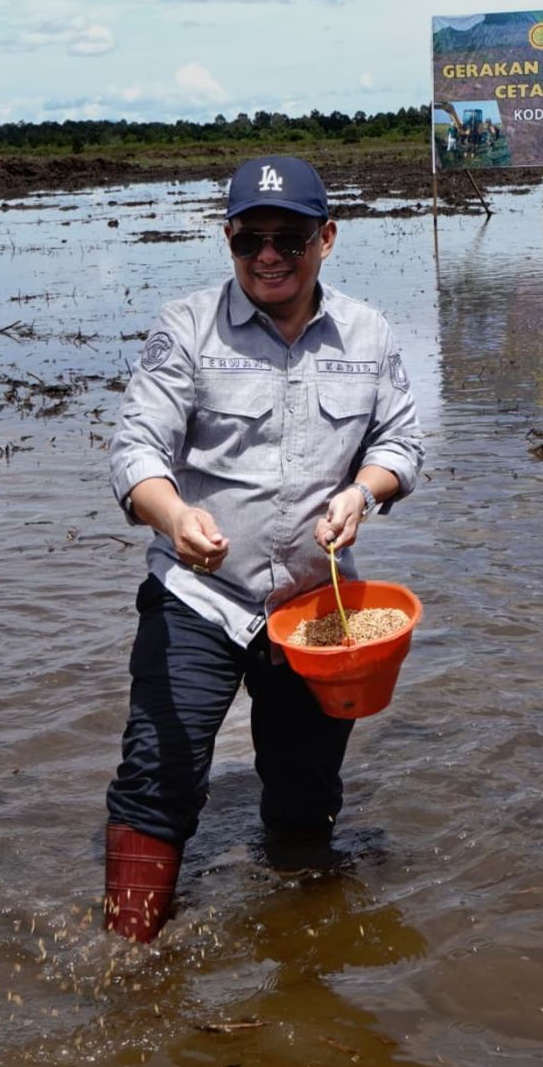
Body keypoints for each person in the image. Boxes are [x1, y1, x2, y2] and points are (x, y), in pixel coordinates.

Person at [101, 156, 425, 941]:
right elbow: (135, 446)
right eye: (251, 239)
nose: (269, 255)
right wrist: (173, 515)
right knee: (158, 776)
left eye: (289, 237)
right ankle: (128, 963)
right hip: (198, 598)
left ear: (328, 237)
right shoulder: (186, 328)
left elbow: (401, 440)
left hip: (317, 611)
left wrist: (363, 492)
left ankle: (301, 956)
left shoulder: (369, 334)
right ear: (229, 238)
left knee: (307, 791)